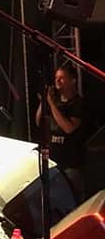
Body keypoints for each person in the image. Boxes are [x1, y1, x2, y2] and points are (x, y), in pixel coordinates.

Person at [35, 63, 87, 203]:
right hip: (54, 165)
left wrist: (51, 103)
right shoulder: (55, 102)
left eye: (62, 78)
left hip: (71, 167)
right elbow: (39, 122)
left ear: (73, 81)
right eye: (56, 78)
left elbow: (68, 128)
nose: (57, 81)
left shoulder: (78, 103)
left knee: (73, 204)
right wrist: (44, 102)